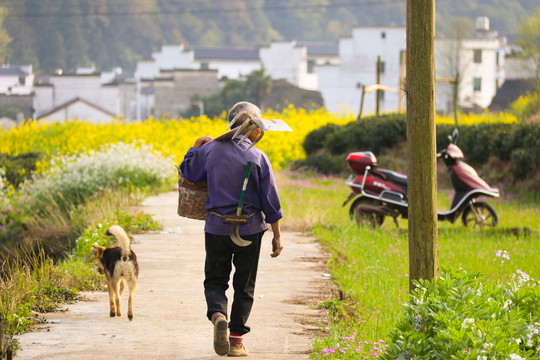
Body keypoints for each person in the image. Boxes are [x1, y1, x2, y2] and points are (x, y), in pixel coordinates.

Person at [180, 101, 284, 357]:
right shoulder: (259, 157)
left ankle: (217, 315)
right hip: (249, 229)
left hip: (216, 227)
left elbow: (188, 172)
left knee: (215, 279)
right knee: (244, 285)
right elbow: (270, 202)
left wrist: (194, 149)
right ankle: (236, 342)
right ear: (254, 128)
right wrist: (277, 236)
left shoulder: (210, 150)